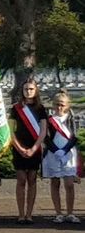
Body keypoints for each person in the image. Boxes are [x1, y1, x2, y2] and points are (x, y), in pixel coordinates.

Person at [10, 78, 47, 224]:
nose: (28, 91)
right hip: (19, 147)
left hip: (34, 147)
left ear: (36, 90)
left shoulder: (41, 109)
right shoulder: (15, 109)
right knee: (21, 180)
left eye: (31, 89)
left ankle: (29, 214)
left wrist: (34, 148)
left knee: (32, 180)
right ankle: (20, 214)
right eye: (26, 89)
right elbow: (10, 130)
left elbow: (43, 131)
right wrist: (19, 148)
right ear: (22, 91)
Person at [44, 90, 79, 223]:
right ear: (53, 105)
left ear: (67, 105)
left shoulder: (70, 118)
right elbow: (46, 138)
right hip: (53, 154)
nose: (59, 107)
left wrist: (64, 150)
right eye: (57, 104)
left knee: (69, 184)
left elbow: (74, 137)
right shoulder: (50, 120)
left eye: (62, 105)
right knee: (55, 182)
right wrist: (55, 150)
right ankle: (58, 213)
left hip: (68, 154)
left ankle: (70, 213)